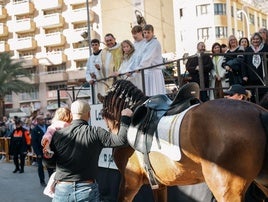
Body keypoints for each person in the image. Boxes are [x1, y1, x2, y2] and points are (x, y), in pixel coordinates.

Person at [49, 100, 133, 202]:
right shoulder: (95, 132)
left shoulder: (58, 134)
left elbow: (50, 162)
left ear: (71, 114)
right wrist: (125, 118)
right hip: (86, 189)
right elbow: (121, 141)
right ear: (89, 114)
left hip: (63, 189)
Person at [136, 24, 166, 96]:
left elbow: (148, 57)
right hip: (148, 71)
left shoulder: (155, 43)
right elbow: (140, 57)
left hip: (154, 72)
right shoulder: (145, 43)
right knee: (148, 93)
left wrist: (139, 67)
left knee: (155, 92)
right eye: (145, 33)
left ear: (152, 32)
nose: (146, 35)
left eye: (148, 32)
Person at [244, 32, 268, 103]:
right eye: (253, 39)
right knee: (252, 95)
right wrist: (245, 75)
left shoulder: (265, 48)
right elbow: (244, 63)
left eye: (257, 39)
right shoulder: (248, 49)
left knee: (263, 94)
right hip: (251, 76)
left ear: (261, 40)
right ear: (251, 40)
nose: (255, 41)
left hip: (262, 76)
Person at [31, 115, 54, 187]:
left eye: (43, 119)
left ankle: (51, 181)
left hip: (49, 150)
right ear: (37, 121)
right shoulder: (35, 130)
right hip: (40, 151)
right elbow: (34, 143)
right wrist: (37, 153)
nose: (43, 121)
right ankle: (42, 181)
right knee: (40, 167)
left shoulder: (48, 127)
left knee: (50, 167)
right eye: (41, 120)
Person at [85, 39, 106, 103]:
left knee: (103, 99)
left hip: (103, 82)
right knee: (95, 100)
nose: (94, 46)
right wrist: (90, 79)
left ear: (99, 45)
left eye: (96, 45)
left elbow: (107, 67)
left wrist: (99, 69)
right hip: (94, 83)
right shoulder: (90, 58)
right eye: (93, 45)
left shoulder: (103, 55)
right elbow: (87, 71)